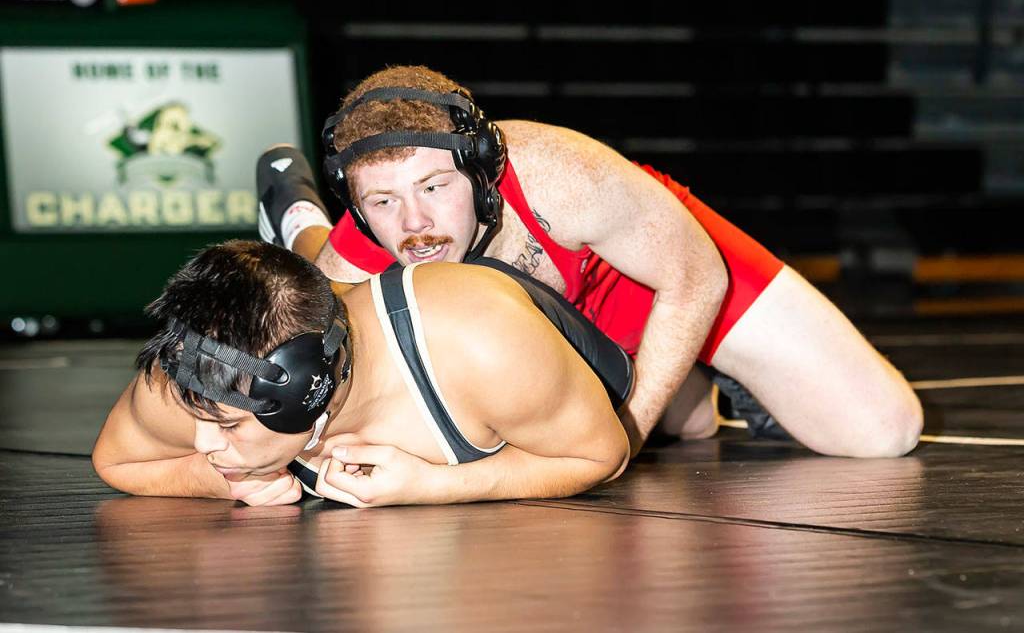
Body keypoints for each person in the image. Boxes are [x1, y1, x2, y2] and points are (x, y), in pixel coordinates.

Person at [256, 65, 923, 459]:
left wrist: (625, 433)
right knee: (691, 429)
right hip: (553, 322)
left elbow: (697, 277)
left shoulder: (562, 174)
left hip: (651, 272)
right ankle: (302, 222)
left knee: (884, 430)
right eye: (383, 200)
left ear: (482, 170)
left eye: (434, 187)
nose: (415, 224)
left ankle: (697, 367)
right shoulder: (370, 244)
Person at [91, 240, 630, 507]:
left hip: (556, 324)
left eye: (230, 427)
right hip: (325, 308)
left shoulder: (481, 343)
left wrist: (440, 486)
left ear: (309, 392)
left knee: (689, 415)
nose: (202, 442)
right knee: (311, 273)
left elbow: (603, 454)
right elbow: (117, 461)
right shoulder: (204, 368)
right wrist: (233, 480)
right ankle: (300, 223)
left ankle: (305, 222)